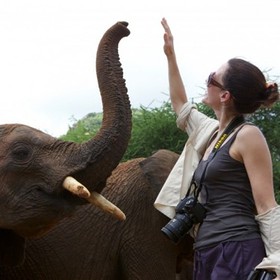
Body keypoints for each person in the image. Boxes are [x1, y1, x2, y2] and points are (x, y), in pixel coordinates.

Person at [154, 17, 280, 280]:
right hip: (207, 249)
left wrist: (276, 262)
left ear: (225, 96)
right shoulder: (212, 133)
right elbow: (181, 106)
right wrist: (170, 55)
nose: (207, 79)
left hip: (237, 248)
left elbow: (266, 204)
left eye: (213, 77)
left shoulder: (248, 136)